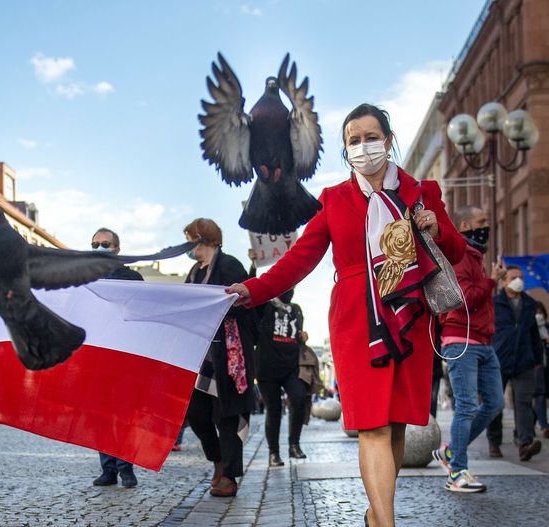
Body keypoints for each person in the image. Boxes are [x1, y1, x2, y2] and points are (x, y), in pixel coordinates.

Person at [227, 104, 465, 526]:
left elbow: (458, 251)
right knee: (372, 425)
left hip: (409, 314)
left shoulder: (422, 191)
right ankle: (387, 523)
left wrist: (436, 227)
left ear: (388, 141)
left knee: (394, 427)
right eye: (353, 140)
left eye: (370, 137)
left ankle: (377, 515)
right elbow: (299, 259)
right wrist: (252, 289)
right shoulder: (334, 200)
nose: (362, 146)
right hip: (358, 321)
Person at [429, 204, 504, 492]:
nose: (487, 225)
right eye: (482, 220)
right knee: (467, 407)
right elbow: (464, 298)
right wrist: (492, 282)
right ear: (464, 226)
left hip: (483, 342)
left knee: (495, 403)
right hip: (461, 341)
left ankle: (451, 451)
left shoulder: (476, 257)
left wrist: (488, 281)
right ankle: (456, 472)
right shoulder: (460, 257)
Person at [183, 218, 257, 498]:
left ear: (205, 238)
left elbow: (247, 303)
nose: (189, 245)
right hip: (201, 355)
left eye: (191, 238)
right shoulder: (193, 271)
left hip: (228, 352)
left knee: (226, 415)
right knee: (197, 413)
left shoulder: (229, 265)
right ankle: (217, 460)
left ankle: (229, 475)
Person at [89, 227, 143, 489]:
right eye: (95, 243)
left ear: (117, 249)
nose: (100, 247)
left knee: (123, 415)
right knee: (101, 415)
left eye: (105, 243)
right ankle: (107, 468)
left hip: (124, 354)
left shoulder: (131, 278)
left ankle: (126, 468)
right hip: (96, 354)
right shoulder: (83, 277)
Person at [486, 266, 544, 462]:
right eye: (513, 277)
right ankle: (494, 442)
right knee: (495, 403)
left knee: (524, 403)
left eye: (520, 277)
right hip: (498, 360)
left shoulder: (529, 304)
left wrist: (537, 359)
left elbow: (534, 334)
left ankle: (525, 443)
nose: (518, 280)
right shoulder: (495, 303)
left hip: (524, 361)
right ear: (503, 282)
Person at [254, 286, 308, 467]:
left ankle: (294, 444)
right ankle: (274, 453)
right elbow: (252, 294)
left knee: (299, 398)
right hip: (267, 368)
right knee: (274, 409)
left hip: (291, 366)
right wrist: (254, 265)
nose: (289, 290)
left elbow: (296, 333)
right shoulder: (266, 307)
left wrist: (303, 336)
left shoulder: (297, 309)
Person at [534, 302, 549, 438]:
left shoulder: (546, 328)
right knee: (539, 395)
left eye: (541, 312)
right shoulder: (530, 328)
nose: (539, 315)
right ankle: (544, 426)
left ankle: (525, 428)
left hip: (545, 366)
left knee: (540, 395)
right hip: (534, 366)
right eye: (536, 312)